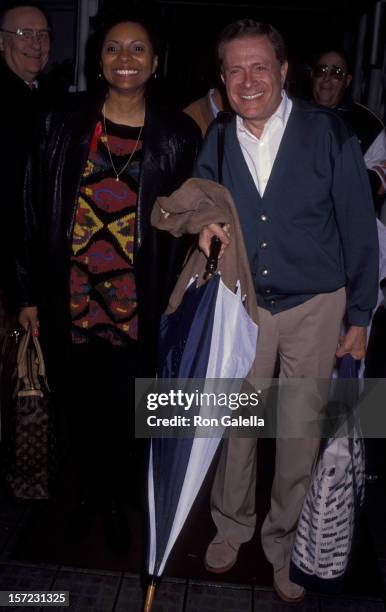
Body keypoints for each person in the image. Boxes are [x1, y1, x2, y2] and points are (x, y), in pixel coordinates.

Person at [194, 19, 378, 602]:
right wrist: (203, 221)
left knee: (298, 430)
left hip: (316, 306)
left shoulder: (328, 132)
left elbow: (358, 227)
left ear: (281, 71)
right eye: (234, 70)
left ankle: (283, 540)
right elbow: (200, 191)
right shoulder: (220, 136)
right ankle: (232, 525)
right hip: (246, 303)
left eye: (259, 67)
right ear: (221, 81)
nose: (248, 80)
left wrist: (361, 314)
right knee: (240, 423)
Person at [15, 12, 201, 549]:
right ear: (99, 60)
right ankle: (89, 494)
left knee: (129, 409)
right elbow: (30, 210)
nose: (125, 59)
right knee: (80, 405)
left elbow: (188, 220)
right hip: (69, 299)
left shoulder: (177, 135)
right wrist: (26, 293)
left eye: (138, 49)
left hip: (138, 305)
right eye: (114, 49)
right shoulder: (61, 124)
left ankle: (118, 497)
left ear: (156, 62)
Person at [0, 1, 51, 324]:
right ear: (1, 42)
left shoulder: (47, 99)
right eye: (24, 34)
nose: (36, 43)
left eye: (43, 35)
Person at [310, 48, 386, 208]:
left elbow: (376, 187)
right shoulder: (289, 115)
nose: (326, 78)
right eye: (321, 70)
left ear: (347, 81)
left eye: (336, 73)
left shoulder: (370, 125)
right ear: (312, 76)